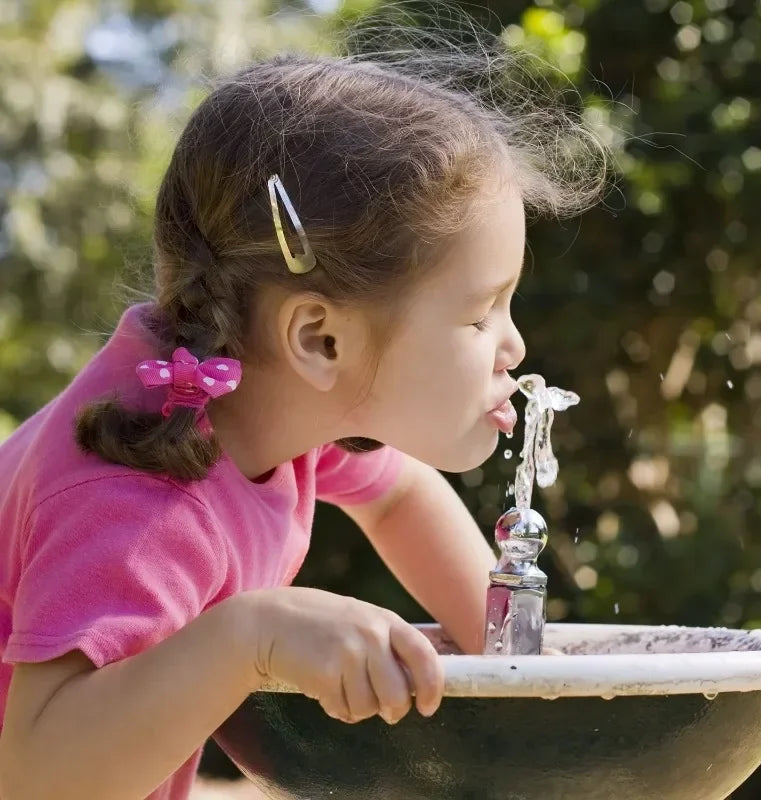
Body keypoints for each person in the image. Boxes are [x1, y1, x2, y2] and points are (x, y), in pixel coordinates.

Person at [0, 23, 606, 800]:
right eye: (480, 313)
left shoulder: (258, 395)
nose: (514, 345)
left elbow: (399, 496)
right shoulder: (138, 502)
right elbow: (40, 778)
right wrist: (252, 636)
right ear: (320, 338)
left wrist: (514, 669)